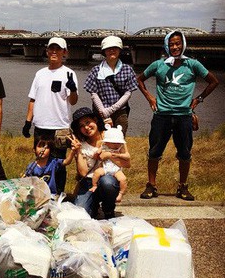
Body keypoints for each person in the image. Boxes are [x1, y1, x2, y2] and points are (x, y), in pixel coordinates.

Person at [136, 30, 219, 201]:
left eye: (178, 43)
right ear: (167, 45)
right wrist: (150, 98)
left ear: (183, 44)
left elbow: (214, 81)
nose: (175, 47)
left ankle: (182, 187)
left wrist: (198, 99)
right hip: (162, 116)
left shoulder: (193, 65)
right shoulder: (158, 65)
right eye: (171, 44)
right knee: (154, 151)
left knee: (185, 153)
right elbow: (139, 79)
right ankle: (151, 186)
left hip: (184, 116)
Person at [22, 36, 79, 189]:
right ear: (47, 51)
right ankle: (41, 195)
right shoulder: (40, 73)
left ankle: (58, 194)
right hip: (40, 126)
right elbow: (33, 99)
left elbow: (73, 101)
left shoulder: (69, 74)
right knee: (41, 163)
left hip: (60, 127)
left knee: (59, 165)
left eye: (58, 49)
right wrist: (28, 122)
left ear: (64, 52)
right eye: (51, 48)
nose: (54, 52)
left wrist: (73, 89)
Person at [69, 107, 131, 219]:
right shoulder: (81, 144)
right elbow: (83, 173)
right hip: (89, 183)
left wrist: (110, 155)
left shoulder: (112, 135)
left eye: (88, 122)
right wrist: (77, 151)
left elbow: (127, 163)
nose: (86, 128)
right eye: (81, 126)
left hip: (109, 177)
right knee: (79, 215)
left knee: (107, 182)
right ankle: (94, 205)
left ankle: (108, 210)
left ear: (95, 120)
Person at [83, 35, 138, 134]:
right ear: (104, 51)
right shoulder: (96, 70)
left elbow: (128, 93)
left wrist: (111, 109)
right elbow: (93, 94)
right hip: (100, 112)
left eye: (115, 48)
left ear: (120, 50)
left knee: (118, 141)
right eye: (108, 49)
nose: (112, 51)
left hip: (120, 113)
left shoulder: (127, 69)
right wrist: (103, 111)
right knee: (99, 140)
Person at [89, 124, 128, 203]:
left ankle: (121, 193)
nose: (116, 145)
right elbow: (96, 155)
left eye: (118, 143)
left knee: (123, 179)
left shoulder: (120, 148)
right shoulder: (104, 146)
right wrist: (98, 152)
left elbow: (127, 156)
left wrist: (118, 155)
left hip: (116, 168)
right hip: (105, 167)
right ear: (106, 142)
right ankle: (94, 185)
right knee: (97, 173)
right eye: (114, 143)